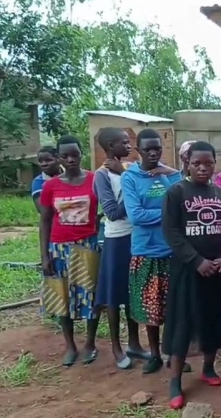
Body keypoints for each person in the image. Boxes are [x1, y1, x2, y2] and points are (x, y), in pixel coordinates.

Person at [161, 141, 221, 409]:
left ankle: (209, 369)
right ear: (187, 163)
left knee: (212, 320)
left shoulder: (220, 193)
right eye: (196, 163)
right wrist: (196, 260)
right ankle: (175, 382)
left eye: (208, 163)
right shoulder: (176, 192)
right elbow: (172, 232)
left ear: (214, 163)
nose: (202, 168)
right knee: (182, 323)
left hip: (216, 269)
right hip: (187, 270)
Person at [121, 128, 184, 374]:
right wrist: (169, 215)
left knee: (174, 307)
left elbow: (184, 200)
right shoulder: (131, 177)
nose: (153, 153)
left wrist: (173, 173)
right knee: (150, 307)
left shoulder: (168, 175)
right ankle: (154, 354)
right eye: (147, 149)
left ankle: (174, 354)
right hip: (146, 251)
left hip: (173, 250)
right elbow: (136, 215)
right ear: (138, 151)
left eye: (157, 148)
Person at [38, 135, 101, 367]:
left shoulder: (95, 180)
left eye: (74, 154)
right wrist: (44, 255)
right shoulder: (50, 186)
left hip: (88, 246)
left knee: (90, 297)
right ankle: (70, 346)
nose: (70, 159)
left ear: (81, 154)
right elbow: (44, 221)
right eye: (65, 156)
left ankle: (90, 343)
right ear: (58, 158)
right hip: (59, 248)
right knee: (62, 296)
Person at [93, 127, 150, 369]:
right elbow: (113, 212)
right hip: (116, 240)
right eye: (124, 143)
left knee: (133, 292)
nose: (129, 146)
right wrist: (132, 190)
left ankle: (135, 343)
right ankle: (116, 346)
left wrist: (129, 178)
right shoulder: (102, 175)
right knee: (114, 296)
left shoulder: (129, 169)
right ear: (109, 147)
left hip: (136, 238)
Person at [31, 146, 62, 213]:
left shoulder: (71, 176)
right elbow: (43, 210)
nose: (44, 164)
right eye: (40, 161)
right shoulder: (38, 182)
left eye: (48, 160)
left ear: (58, 159)